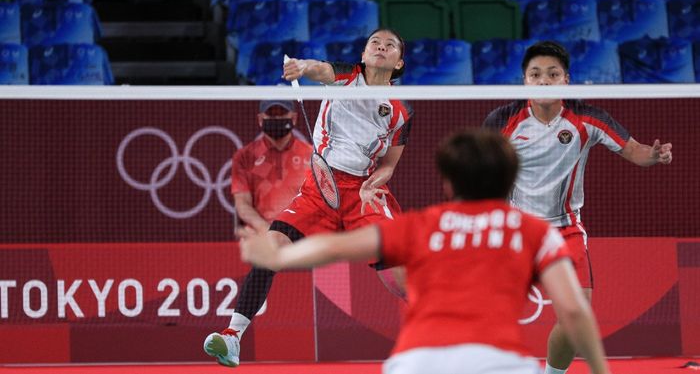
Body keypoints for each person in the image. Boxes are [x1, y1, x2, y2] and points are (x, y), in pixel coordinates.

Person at [237, 129, 611, 374]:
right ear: (512, 177)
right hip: (498, 362)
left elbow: (336, 246)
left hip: (416, 363)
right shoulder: (533, 231)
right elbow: (574, 310)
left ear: (448, 183)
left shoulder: (422, 224)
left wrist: (277, 257)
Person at [203, 28, 414, 367]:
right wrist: (302, 67)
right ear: (362, 54)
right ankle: (232, 337)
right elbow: (321, 69)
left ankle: (450, 332)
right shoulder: (347, 77)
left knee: (400, 278)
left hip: (365, 194)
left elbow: (389, 164)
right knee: (270, 251)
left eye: (390, 45)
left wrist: (374, 182)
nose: (381, 46)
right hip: (320, 187)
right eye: (375, 42)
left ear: (399, 62)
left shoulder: (402, 111)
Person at [483, 40, 672, 374]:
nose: (544, 81)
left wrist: (653, 156)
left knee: (577, 315)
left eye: (552, 74)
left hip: (565, 229)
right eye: (536, 74)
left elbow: (633, 150)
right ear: (525, 80)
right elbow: (476, 167)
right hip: (515, 230)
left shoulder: (586, 117)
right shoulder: (504, 119)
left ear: (565, 80)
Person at [231, 100, 312, 228]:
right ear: (260, 119)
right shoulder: (244, 156)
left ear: (294, 118)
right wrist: (269, 231)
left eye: (282, 113)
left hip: (301, 234)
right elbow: (242, 204)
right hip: (263, 234)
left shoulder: (312, 155)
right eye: (271, 114)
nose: (277, 118)